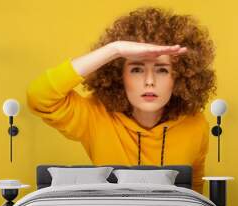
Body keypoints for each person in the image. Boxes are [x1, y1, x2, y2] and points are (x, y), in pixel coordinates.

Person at [27, 7, 217, 194]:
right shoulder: (96, 116)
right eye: (136, 69)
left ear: (180, 77)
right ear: (119, 76)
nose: (149, 81)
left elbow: (194, 187)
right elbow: (39, 97)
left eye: (162, 70)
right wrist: (114, 49)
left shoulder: (195, 125)